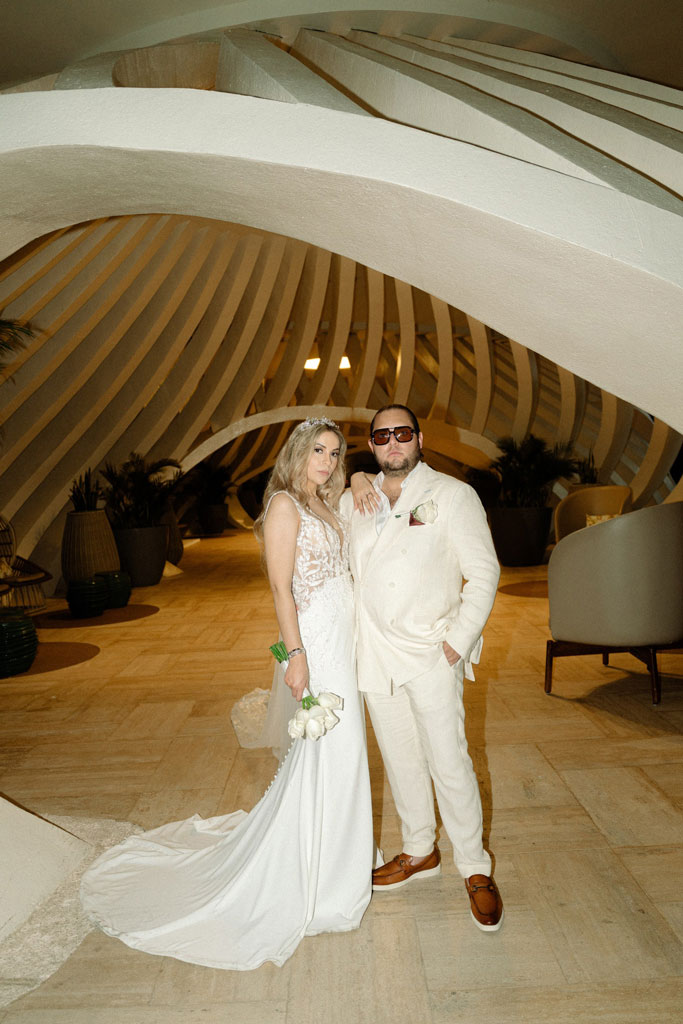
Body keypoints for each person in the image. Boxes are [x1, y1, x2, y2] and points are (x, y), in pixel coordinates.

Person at [80, 417, 373, 969]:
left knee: (344, 754)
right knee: (334, 752)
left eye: (335, 453)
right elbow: (280, 588)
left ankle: (339, 856)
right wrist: (297, 656)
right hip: (318, 645)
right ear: (297, 452)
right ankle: (323, 875)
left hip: (345, 638)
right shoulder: (286, 505)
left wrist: (359, 483)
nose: (328, 461)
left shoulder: (328, 505)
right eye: (318, 450)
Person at [342, 404, 503, 931]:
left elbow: (483, 572)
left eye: (402, 433)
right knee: (400, 757)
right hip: (375, 655)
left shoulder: (453, 495)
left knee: (448, 760)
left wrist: (458, 642)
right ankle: (418, 850)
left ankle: (475, 866)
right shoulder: (354, 501)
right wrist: (354, 476)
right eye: (382, 435)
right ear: (371, 445)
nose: (393, 443)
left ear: (419, 439)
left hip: (433, 651)